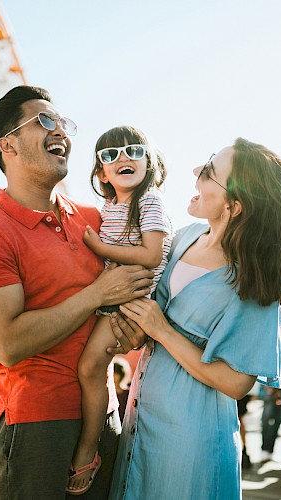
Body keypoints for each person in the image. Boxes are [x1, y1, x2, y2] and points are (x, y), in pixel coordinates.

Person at [0, 86, 152, 499]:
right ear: (7, 145)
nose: (60, 131)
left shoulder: (92, 219)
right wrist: (96, 294)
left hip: (104, 417)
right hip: (35, 423)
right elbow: (8, 344)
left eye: (63, 123)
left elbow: (127, 294)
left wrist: (129, 329)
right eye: (45, 121)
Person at [108, 138, 281, 499]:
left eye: (210, 172)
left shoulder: (254, 280)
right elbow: (149, 321)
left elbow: (236, 383)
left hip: (191, 438)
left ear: (236, 204)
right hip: (141, 419)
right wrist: (138, 331)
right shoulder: (183, 237)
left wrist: (162, 330)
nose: (196, 171)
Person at [66, 126, 172, 495]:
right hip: (116, 297)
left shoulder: (149, 202)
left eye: (132, 150)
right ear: (101, 174)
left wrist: (99, 247)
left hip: (133, 299)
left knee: (90, 366)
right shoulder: (112, 207)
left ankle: (87, 451)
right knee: (91, 365)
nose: (122, 158)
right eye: (109, 156)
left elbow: (151, 255)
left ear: (149, 160)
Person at [260, 320, 281, 462]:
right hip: (269, 388)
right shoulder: (270, 343)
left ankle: (270, 450)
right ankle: (263, 449)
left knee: (278, 420)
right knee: (266, 418)